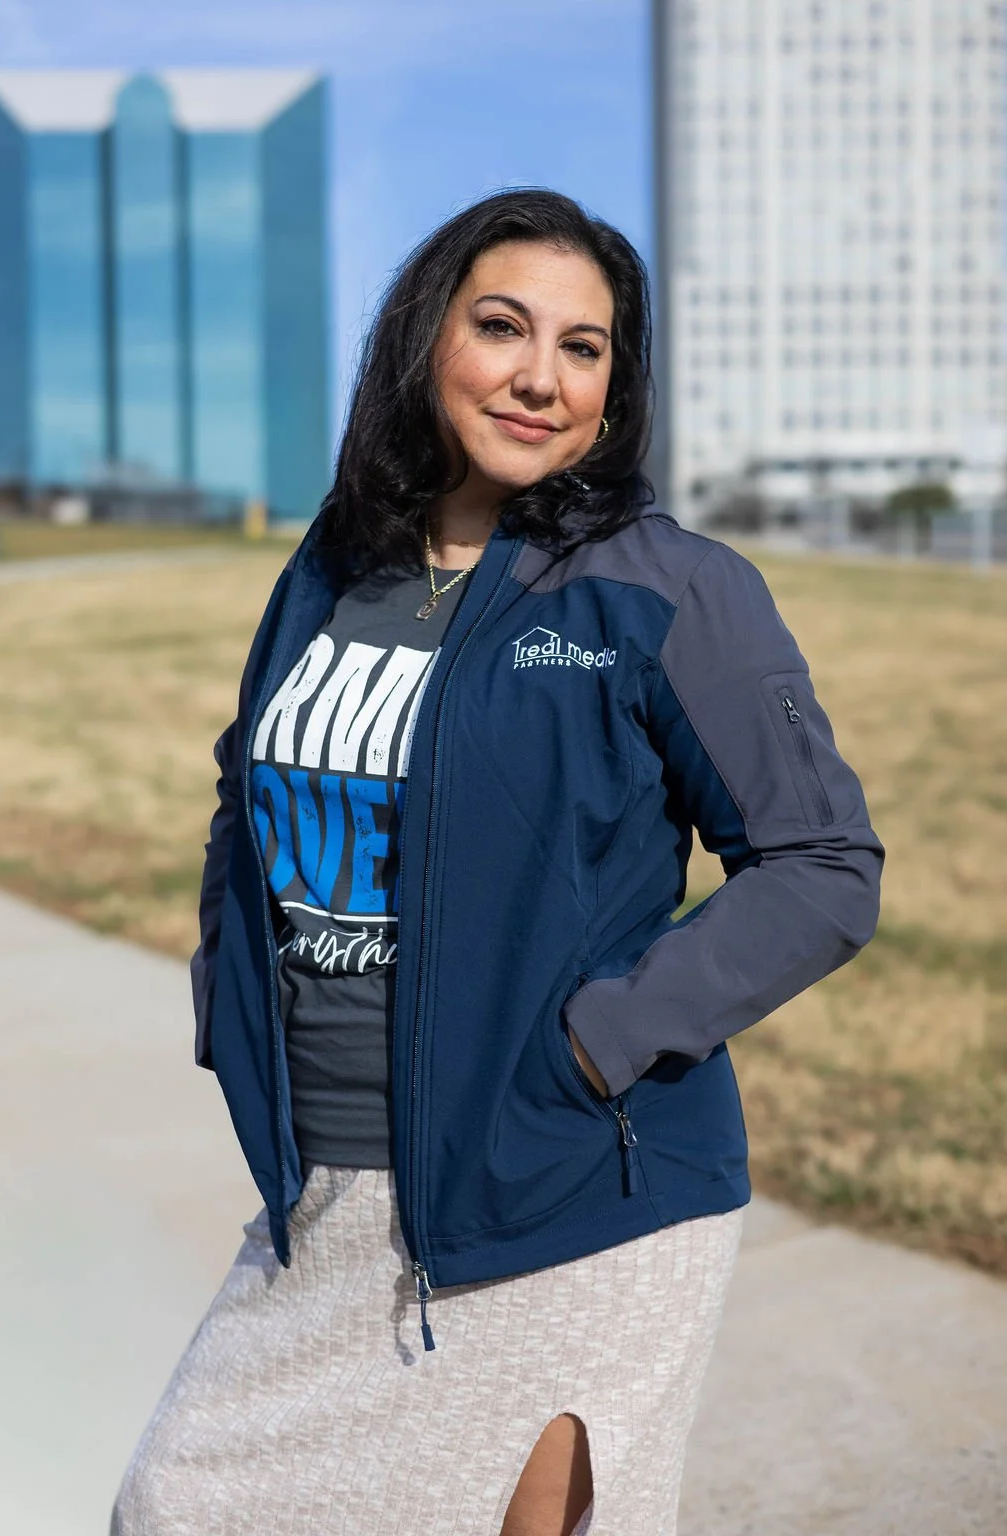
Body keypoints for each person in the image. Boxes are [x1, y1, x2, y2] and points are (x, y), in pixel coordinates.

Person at [110, 188, 883, 1536]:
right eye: (504, 327)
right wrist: (229, 998)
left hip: (565, 1197)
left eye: (584, 349)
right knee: (177, 1505)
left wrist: (596, 1044)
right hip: (333, 1200)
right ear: (428, 340)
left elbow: (823, 866)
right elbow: (252, 783)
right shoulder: (337, 566)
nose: (540, 377)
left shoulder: (666, 588)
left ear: (617, 385)